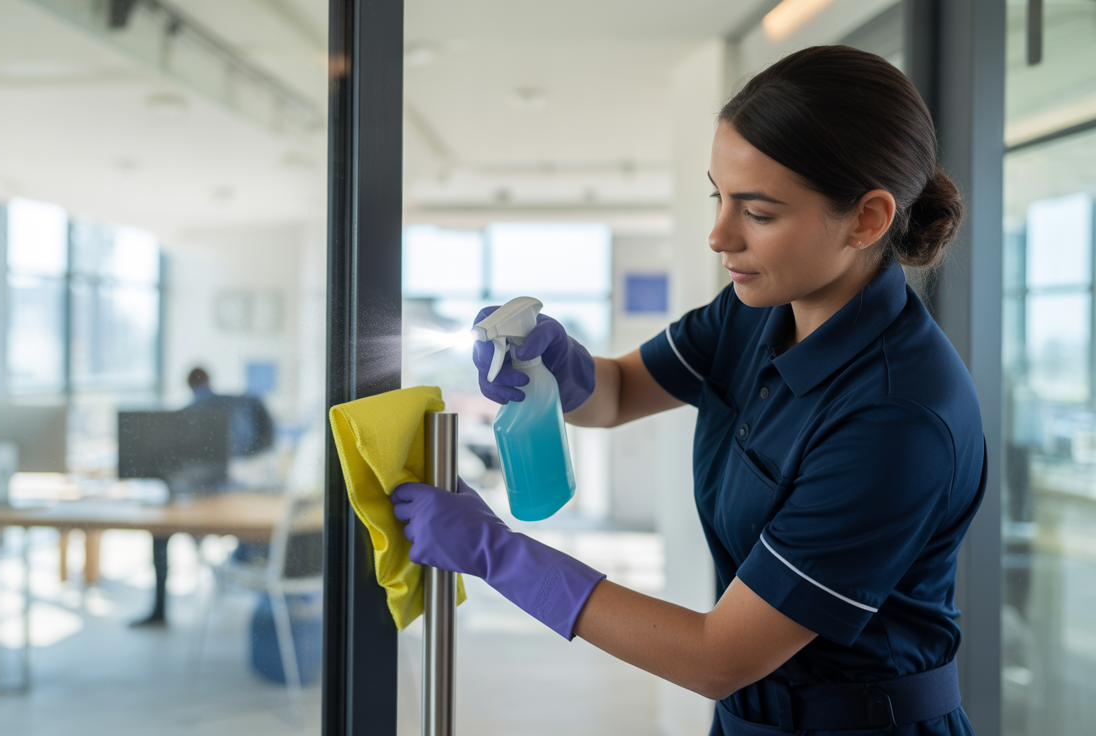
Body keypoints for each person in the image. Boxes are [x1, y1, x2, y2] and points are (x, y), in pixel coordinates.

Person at [391, 46, 983, 736]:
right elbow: (614, 394)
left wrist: (497, 554)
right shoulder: (756, 309)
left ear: (867, 220)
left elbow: (718, 656)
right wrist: (560, 365)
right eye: (719, 196)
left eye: (757, 213)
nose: (718, 235)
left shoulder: (895, 419)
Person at [133, 366, 274, 626]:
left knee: (159, 534)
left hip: (192, 496)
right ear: (210, 380)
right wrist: (256, 449)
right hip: (228, 495)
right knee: (256, 535)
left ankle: (159, 611)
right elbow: (261, 418)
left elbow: (172, 461)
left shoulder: (185, 412)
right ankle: (265, 602)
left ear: (189, 385)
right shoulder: (237, 400)